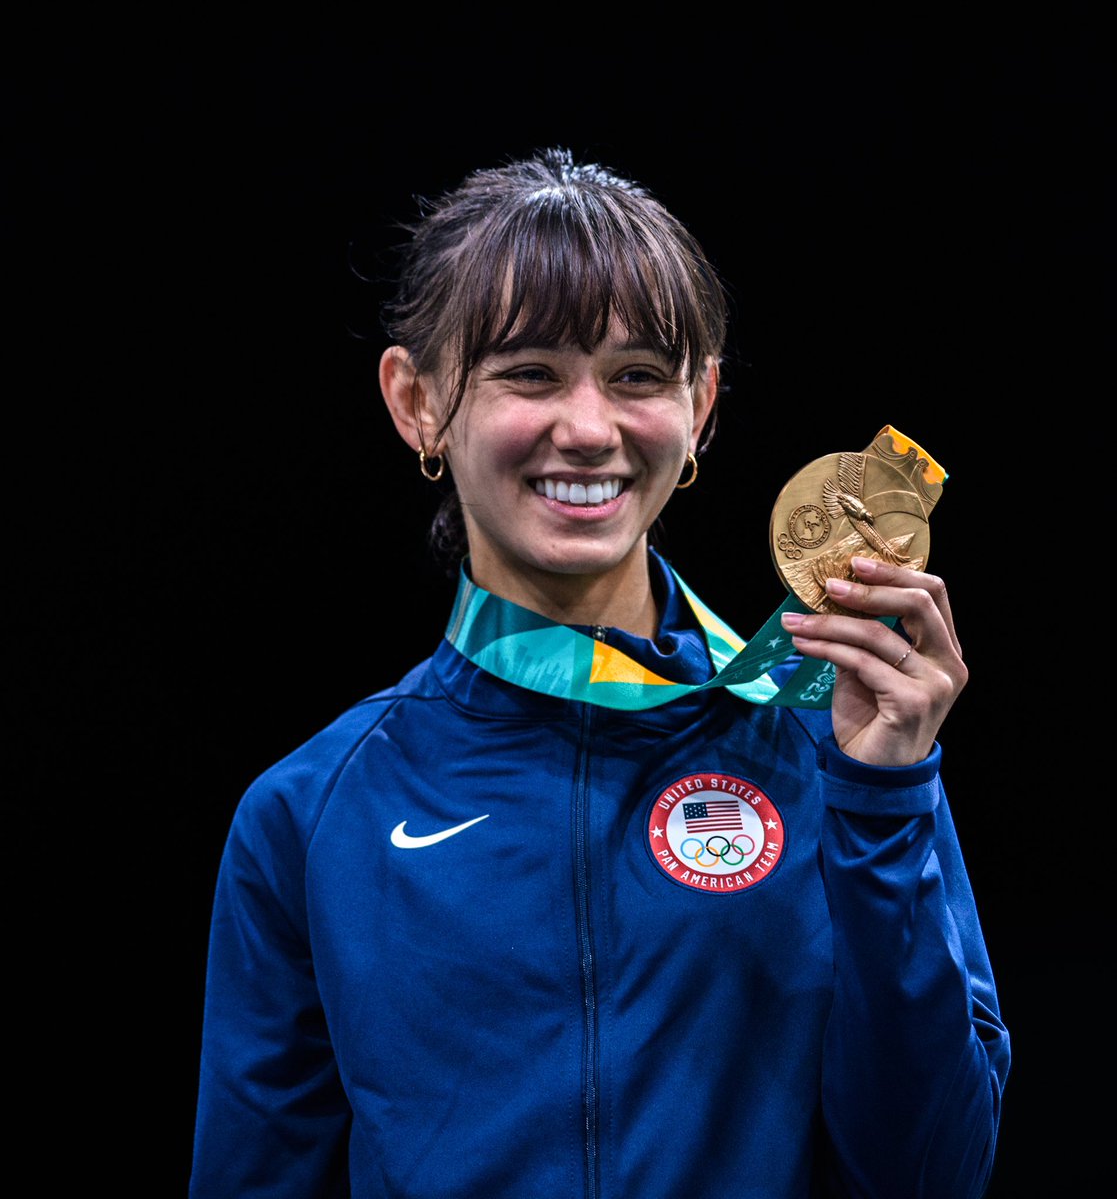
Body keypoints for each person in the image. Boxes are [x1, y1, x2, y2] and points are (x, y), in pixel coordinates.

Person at [190, 147, 1010, 1198]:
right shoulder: (313, 814)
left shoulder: (836, 742)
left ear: (701, 404)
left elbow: (932, 1176)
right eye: (528, 373)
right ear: (418, 404)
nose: (588, 430)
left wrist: (885, 799)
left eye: (637, 376)